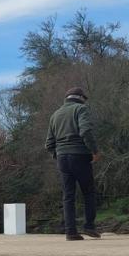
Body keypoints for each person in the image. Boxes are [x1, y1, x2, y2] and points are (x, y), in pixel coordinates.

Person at [45, 87, 100, 241]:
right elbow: (86, 131)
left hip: (62, 158)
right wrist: (94, 151)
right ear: (81, 97)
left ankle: (70, 231)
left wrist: (58, 154)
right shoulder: (81, 109)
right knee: (88, 192)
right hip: (80, 155)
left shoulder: (55, 114)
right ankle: (89, 226)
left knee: (68, 195)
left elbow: (49, 143)